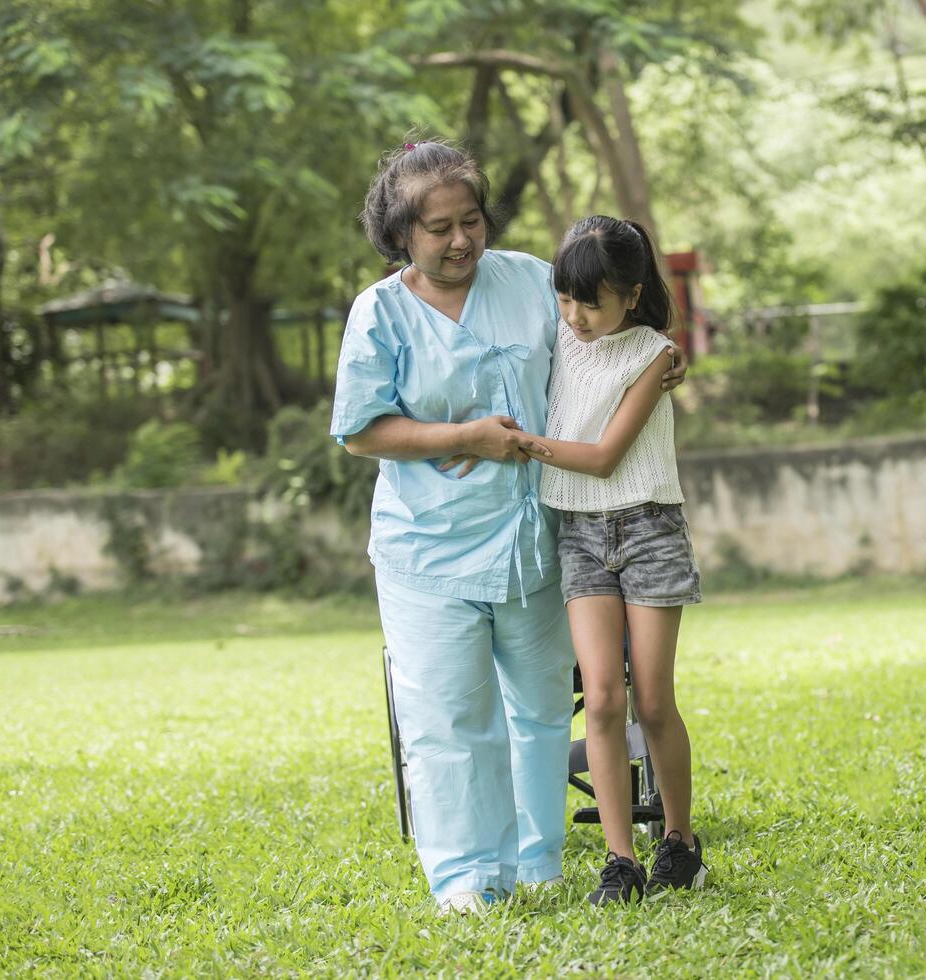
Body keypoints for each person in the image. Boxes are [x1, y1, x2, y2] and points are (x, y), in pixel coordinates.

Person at [330, 142, 684, 915]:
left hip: (538, 537)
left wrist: (660, 361)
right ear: (399, 237)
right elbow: (360, 432)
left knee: (536, 710)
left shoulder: (529, 279)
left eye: (471, 220)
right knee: (449, 713)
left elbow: (602, 341)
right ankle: (464, 878)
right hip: (427, 546)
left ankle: (537, 862)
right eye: (437, 228)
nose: (460, 240)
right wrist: (460, 436)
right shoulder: (379, 312)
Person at [511, 215, 706, 905]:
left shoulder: (652, 354)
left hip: (647, 528)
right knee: (599, 697)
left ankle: (678, 843)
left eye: (591, 301)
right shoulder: (560, 336)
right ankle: (619, 860)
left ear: (631, 293)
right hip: (581, 536)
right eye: (566, 299)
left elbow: (601, 458)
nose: (575, 314)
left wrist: (518, 443)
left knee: (651, 701)